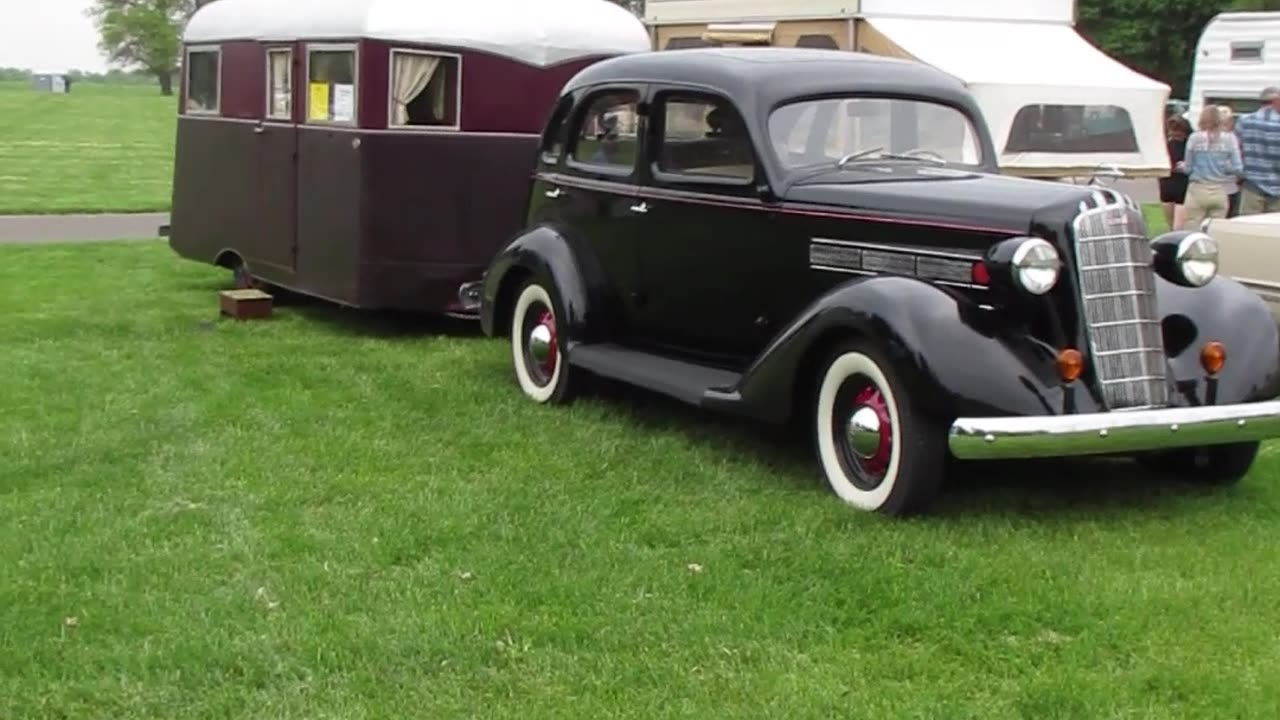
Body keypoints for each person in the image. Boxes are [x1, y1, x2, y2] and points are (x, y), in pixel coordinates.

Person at [1179, 104, 1243, 230]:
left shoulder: (1195, 138)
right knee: (1215, 230)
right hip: (1219, 190)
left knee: (1191, 228)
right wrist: (1223, 167)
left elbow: (1188, 168)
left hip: (1198, 188)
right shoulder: (1230, 139)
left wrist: (1182, 166)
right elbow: (1238, 168)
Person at [1232, 86, 1280, 215]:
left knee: (1248, 227)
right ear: (1276, 101)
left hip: (1252, 183)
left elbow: (1236, 150)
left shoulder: (1244, 121)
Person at [1158, 116, 1192, 230]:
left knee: (1178, 225)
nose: (1175, 136)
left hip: (1181, 184)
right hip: (1167, 184)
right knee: (1170, 222)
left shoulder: (1189, 144)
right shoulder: (1165, 142)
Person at [1218, 106, 1244, 217]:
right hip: (1229, 187)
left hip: (1207, 186)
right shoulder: (1232, 138)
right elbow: (1237, 167)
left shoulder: (1201, 137)